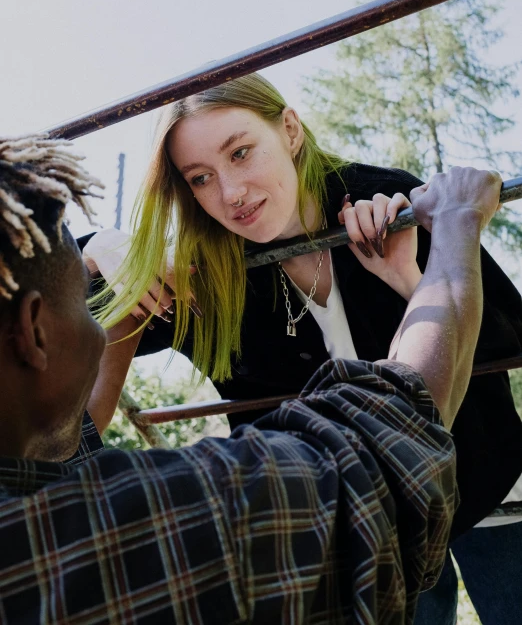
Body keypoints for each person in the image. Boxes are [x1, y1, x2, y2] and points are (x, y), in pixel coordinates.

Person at [82, 73, 522, 625]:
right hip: (367, 532)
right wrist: (98, 250)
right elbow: (50, 318)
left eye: (241, 152)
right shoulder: (208, 276)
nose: (230, 192)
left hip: (488, 489)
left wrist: (411, 281)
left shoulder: (385, 199)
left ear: (289, 129)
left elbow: (508, 338)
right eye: (200, 178)